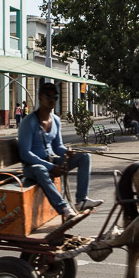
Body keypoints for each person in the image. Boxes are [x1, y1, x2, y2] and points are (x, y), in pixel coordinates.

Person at [18, 82, 102, 222]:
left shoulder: (56, 120)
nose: (52, 100)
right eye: (48, 96)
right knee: (40, 169)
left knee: (84, 157)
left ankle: (81, 200)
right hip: (32, 167)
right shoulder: (29, 122)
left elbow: (58, 147)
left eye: (55, 97)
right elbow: (25, 153)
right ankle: (63, 208)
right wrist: (50, 166)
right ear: (40, 97)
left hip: (52, 161)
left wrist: (68, 152)